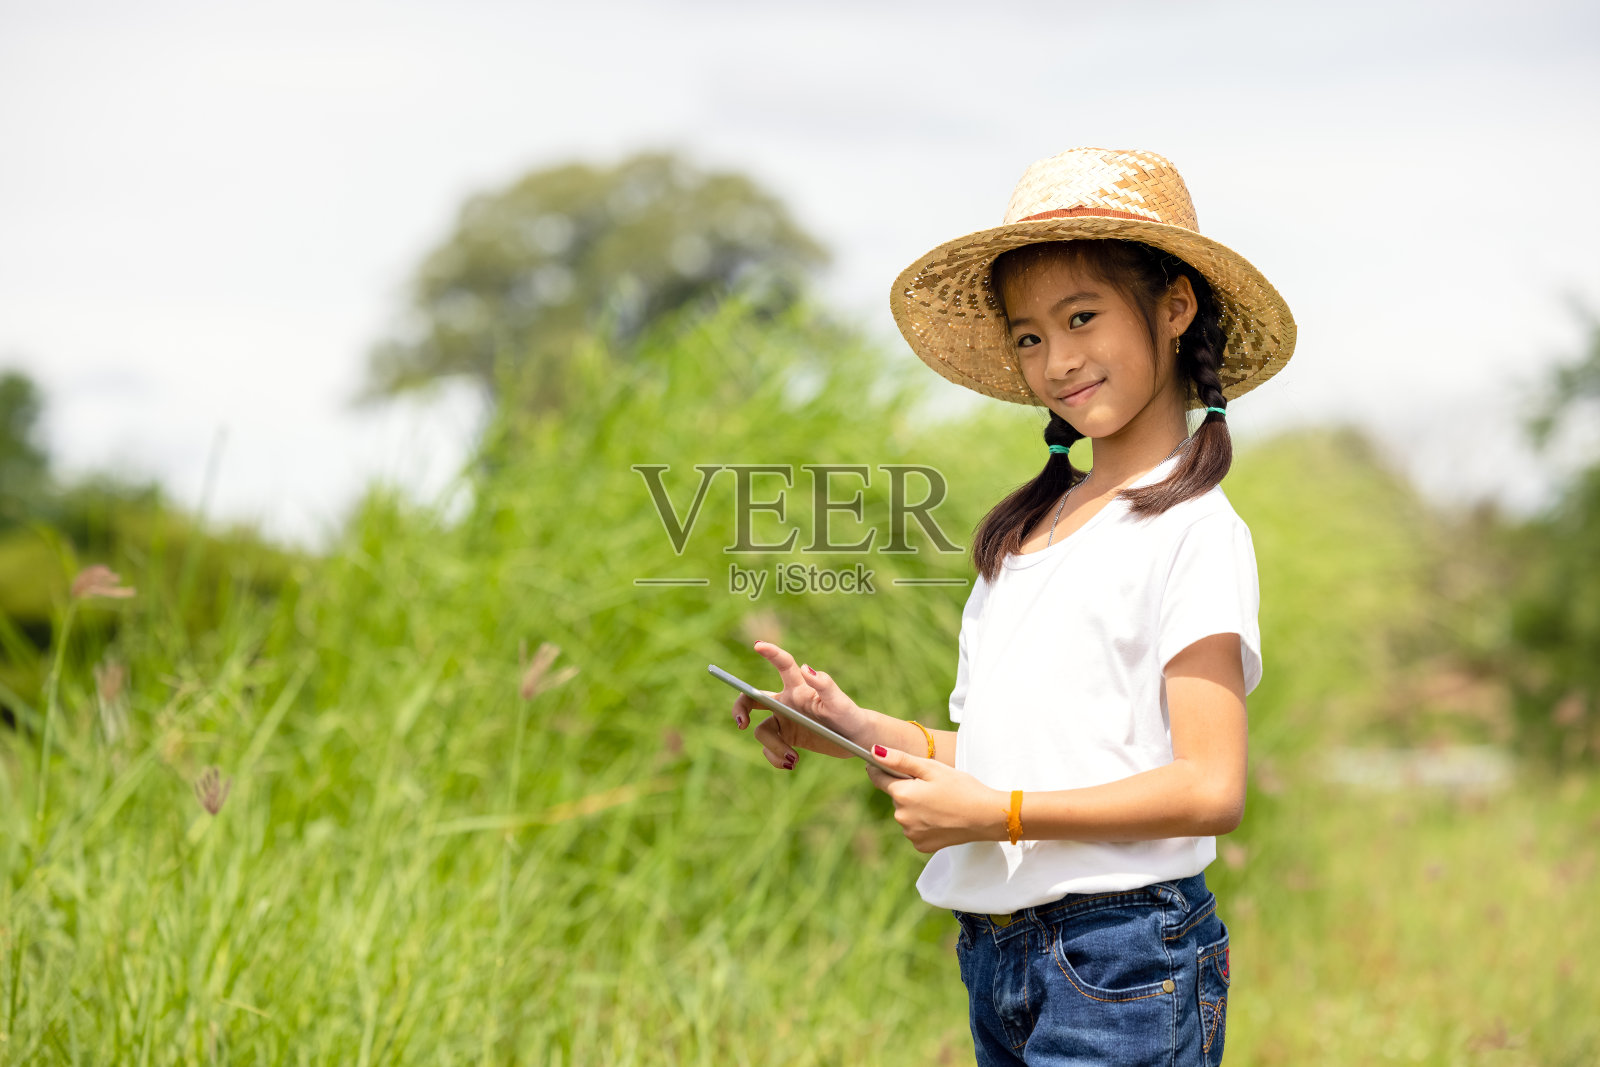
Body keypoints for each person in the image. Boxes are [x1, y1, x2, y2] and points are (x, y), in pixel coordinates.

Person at [727, 146, 1295, 1066]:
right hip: (999, 956)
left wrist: (1004, 815)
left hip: (1124, 955)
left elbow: (1209, 786)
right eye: (1029, 337)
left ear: (1175, 307)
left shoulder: (1195, 529)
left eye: (1082, 317)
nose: (1058, 359)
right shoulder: (1022, 535)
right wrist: (851, 727)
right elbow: (1001, 759)